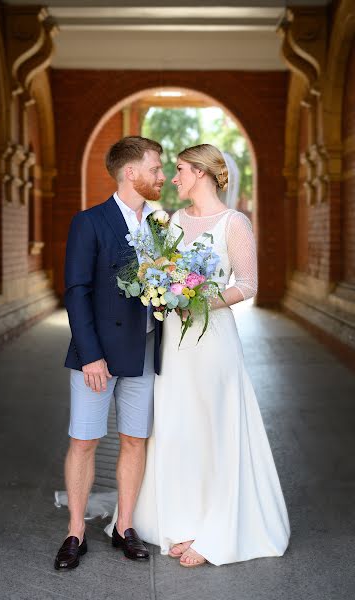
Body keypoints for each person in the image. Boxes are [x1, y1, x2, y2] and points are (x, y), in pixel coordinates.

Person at [106, 143, 290, 567]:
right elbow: (156, 272)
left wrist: (198, 301)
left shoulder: (234, 223)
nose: (173, 178)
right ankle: (180, 518)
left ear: (203, 173)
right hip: (173, 342)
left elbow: (248, 284)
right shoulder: (170, 222)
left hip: (212, 341)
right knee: (178, 426)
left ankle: (215, 529)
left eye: (181, 170)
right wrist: (159, 290)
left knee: (213, 427)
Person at [54, 136, 166, 570]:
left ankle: (125, 526)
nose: (161, 176)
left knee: (135, 440)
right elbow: (76, 292)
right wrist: (90, 355)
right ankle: (76, 531)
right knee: (84, 440)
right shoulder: (90, 222)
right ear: (130, 173)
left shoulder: (159, 227)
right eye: (155, 168)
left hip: (144, 351)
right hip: (97, 355)